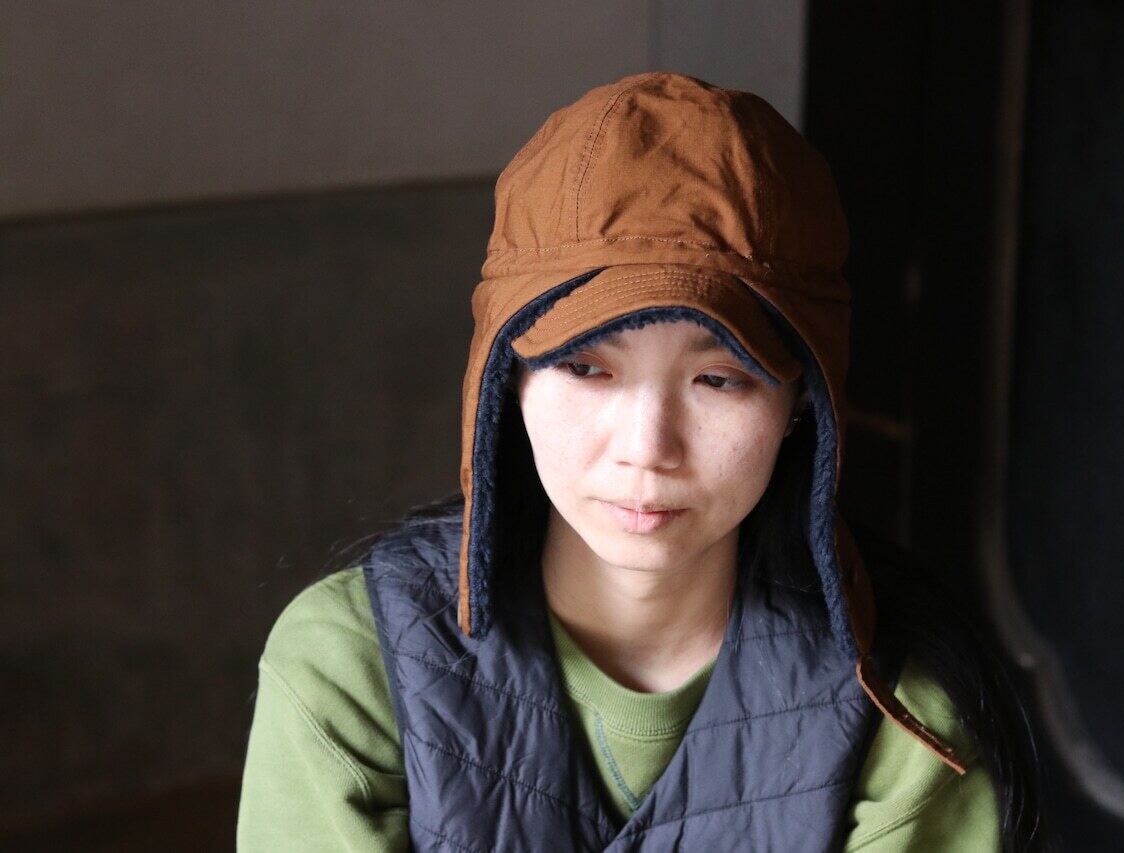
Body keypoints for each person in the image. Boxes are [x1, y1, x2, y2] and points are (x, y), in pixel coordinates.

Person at [237, 72, 1043, 851]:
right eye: (587, 367)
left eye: (718, 378)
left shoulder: (907, 720)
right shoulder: (354, 667)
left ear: (803, 400)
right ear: (505, 375)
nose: (647, 448)